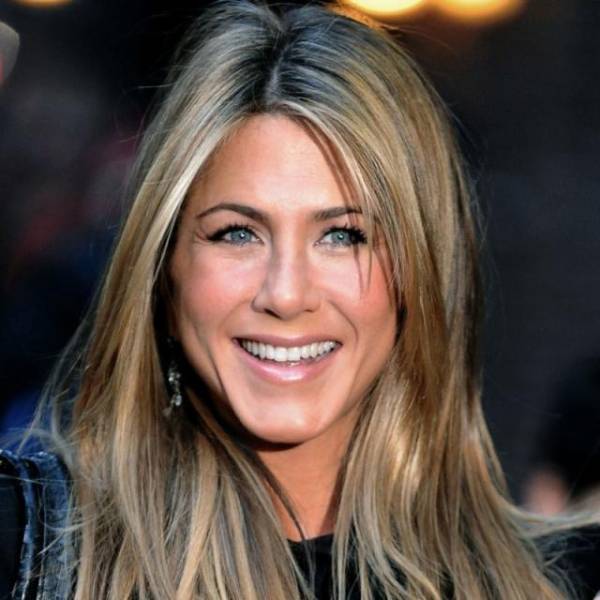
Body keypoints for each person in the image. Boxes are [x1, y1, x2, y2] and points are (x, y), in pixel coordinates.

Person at [1, 2, 599, 598]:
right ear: (164, 268)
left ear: (421, 271)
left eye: (343, 236)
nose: (286, 294)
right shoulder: (25, 547)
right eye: (237, 233)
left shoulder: (562, 583)